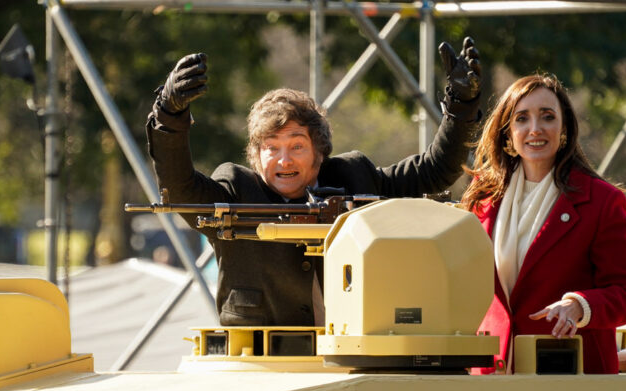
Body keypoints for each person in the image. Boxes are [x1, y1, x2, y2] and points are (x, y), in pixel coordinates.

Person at [147, 39, 483, 326]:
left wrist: (461, 108)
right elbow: (180, 191)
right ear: (256, 155)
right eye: (271, 148)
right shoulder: (236, 188)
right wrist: (169, 115)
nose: (284, 160)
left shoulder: (353, 176)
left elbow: (433, 171)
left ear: (319, 152)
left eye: (296, 146)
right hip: (264, 365)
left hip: (354, 359)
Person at [460, 74, 626, 374]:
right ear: (508, 133)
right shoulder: (482, 200)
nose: (535, 129)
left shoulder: (602, 201)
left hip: (571, 382)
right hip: (492, 379)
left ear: (564, 129)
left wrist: (579, 306)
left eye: (547, 117)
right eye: (522, 118)